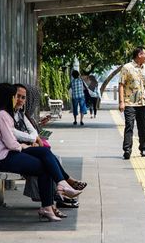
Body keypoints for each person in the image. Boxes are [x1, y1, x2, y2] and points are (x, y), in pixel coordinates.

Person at [0, 83, 82, 221]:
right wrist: (24, 147)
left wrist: (25, 146)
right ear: (9, 98)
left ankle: (55, 194)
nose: (17, 100)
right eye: (15, 96)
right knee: (44, 165)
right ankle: (52, 199)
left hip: (9, 154)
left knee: (44, 154)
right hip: (2, 158)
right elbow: (11, 143)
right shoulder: (3, 115)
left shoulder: (7, 114)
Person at [13, 84, 86, 212]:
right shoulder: (7, 115)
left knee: (51, 158)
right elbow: (15, 134)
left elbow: (33, 132)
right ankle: (61, 189)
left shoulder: (21, 114)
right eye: (18, 97)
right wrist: (32, 141)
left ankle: (58, 194)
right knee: (46, 161)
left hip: (27, 147)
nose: (21, 100)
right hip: (16, 151)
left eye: (24, 98)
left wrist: (35, 136)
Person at [119, 47, 145, 159]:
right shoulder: (127, 68)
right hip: (130, 103)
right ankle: (127, 149)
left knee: (142, 127)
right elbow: (121, 85)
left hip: (143, 103)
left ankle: (143, 149)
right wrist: (121, 102)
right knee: (129, 125)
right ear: (139, 55)